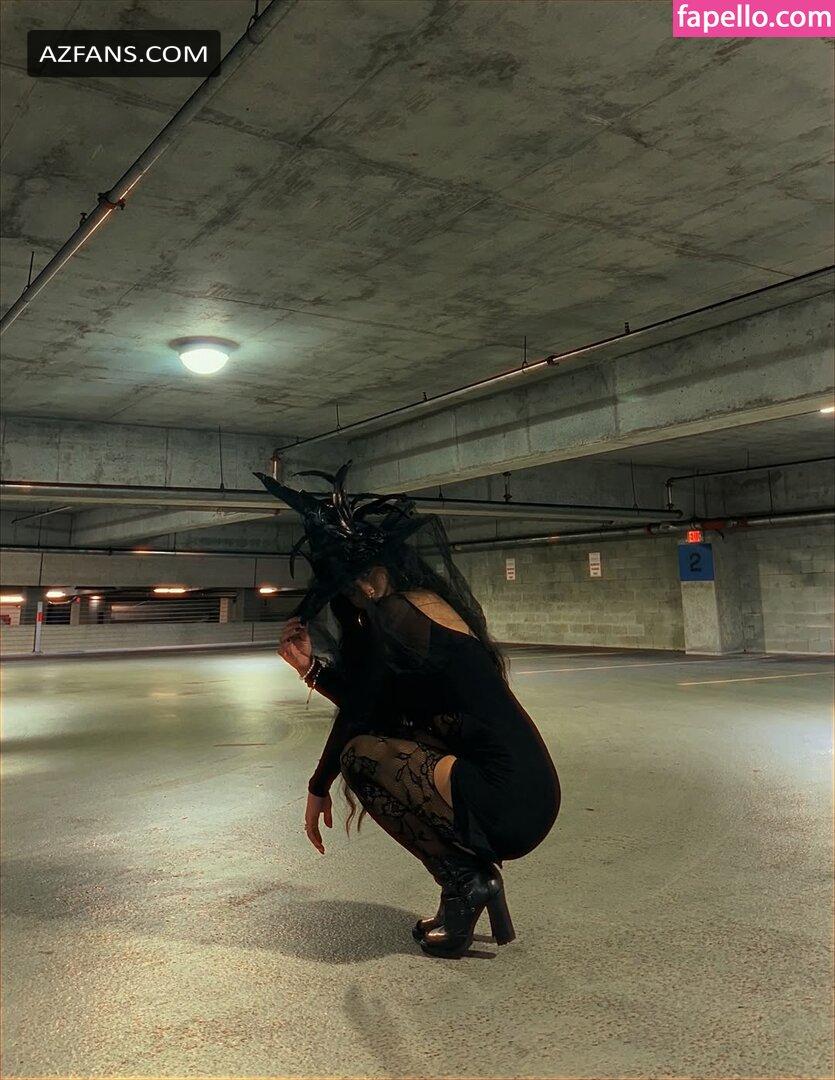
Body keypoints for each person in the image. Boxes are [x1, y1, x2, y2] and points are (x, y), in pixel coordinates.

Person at [256, 462, 561, 959]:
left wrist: (318, 784)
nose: (351, 599)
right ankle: (466, 883)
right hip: (526, 789)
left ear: (374, 578)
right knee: (382, 746)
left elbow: (362, 713)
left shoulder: (400, 614)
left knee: (361, 758)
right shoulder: (419, 607)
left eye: (351, 586)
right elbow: (374, 704)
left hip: (507, 796)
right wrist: (312, 671)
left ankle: (465, 882)